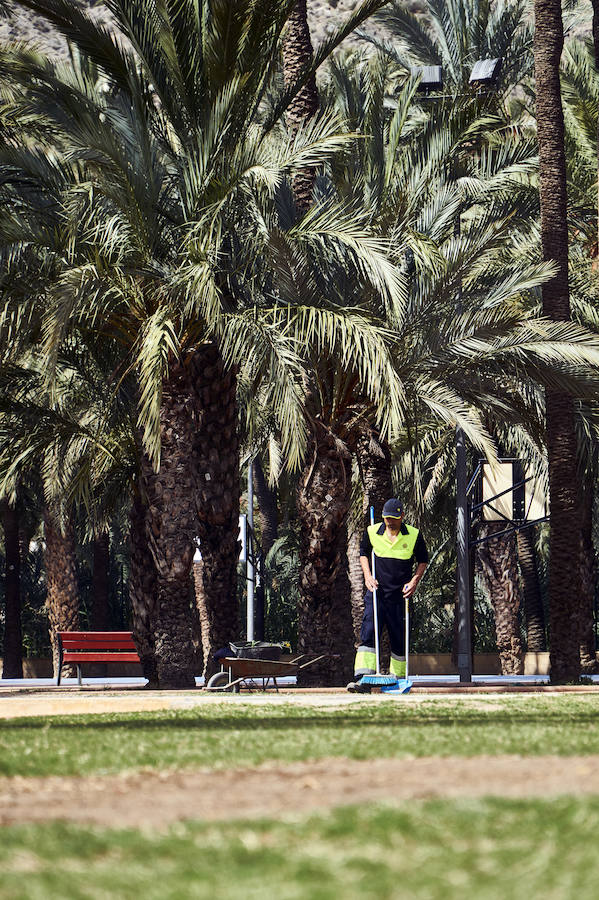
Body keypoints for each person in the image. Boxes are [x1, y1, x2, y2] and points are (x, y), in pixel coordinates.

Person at [347, 498, 428, 693]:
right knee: (368, 633)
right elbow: (363, 553)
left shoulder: (414, 535)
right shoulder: (372, 531)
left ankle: (397, 681)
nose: (389, 522)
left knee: (399, 638)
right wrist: (367, 576)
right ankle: (362, 679)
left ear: (402, 517)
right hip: (376, 594)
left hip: (400, 597)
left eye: (393, 518)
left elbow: (423, 560)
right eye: (386, 518)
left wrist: (414, 582)